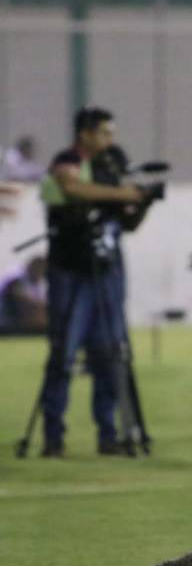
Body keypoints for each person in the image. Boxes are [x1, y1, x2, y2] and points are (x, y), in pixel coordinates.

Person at [37, 107, 148, 457]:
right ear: (85, 133)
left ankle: (109, 433)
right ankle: (53, 435)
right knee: (64, 353)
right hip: (71, 270)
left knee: (109, 354)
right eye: (104, 133)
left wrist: (141, 203)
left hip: (107, 268)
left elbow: (127, 223)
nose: (110, 141)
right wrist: (123, 195)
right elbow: (72, 188)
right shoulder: (67, 160)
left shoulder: (110, 168)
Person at [0, 255, 48, 335]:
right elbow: (20, 298)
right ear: (34, 266)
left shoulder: (36, 281)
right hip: (7, 319)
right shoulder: (16, 276)